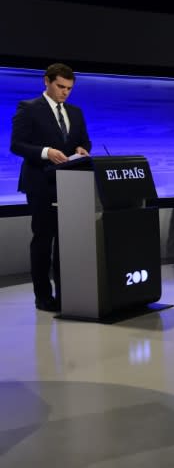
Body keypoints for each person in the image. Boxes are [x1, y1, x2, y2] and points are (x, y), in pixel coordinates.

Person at [10, 63, 92, 311]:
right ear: (46, 81)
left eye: (69, 88)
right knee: (44, 239)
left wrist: (82, 149)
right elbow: (17, 145)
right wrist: (46, 152)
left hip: (70, 185)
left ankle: (67, 293)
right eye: (60, 86)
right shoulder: (29, 108)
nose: (65, 92)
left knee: (67, 242)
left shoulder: (75, 112)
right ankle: (43, 296)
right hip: (40, 184)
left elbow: (84, 140)